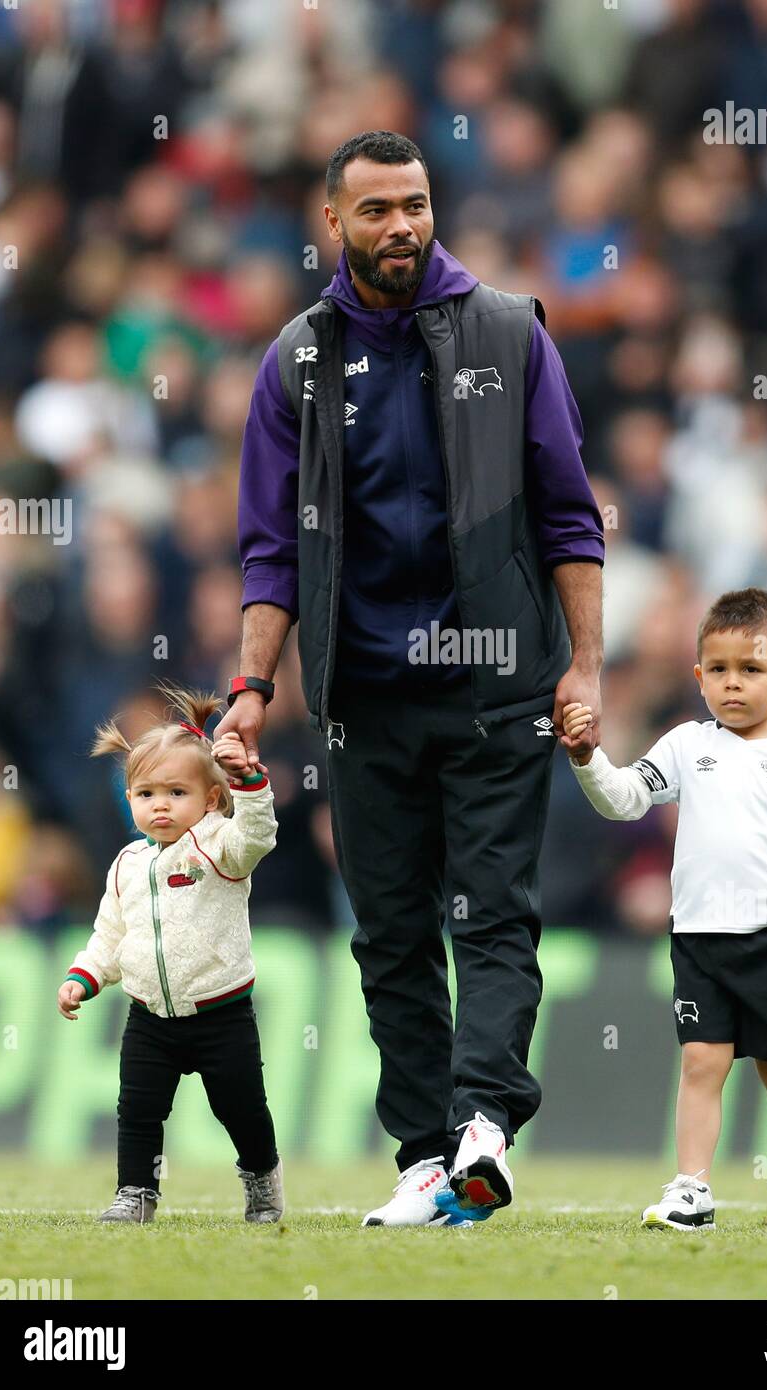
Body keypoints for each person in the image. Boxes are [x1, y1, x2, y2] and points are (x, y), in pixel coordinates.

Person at [217, 129, 605, 1226]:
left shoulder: (512, 333)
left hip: (495, 685)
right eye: (378, 208)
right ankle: (426, 1158)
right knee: (389, 930)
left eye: (418, 204)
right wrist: (253, 687)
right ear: (331, 222)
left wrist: (586, 666)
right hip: (362, 698)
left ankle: (485, 1123)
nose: (403, 226)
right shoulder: (294, 358)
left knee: (492, 915)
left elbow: (571, 518)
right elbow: (269, 548)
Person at [562, 588, 767, 1231]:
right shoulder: (683, 747)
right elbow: (624, 800)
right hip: (698, 938)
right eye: (719, 670)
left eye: (751, 670)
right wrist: (589, 759)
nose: (734, 685)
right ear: (699, 677)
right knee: (701, 1062)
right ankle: (692, 1190)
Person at [58, 680, 283, 1226]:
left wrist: (250, 784)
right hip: (149, 1016)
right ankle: (136, 1191)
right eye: (146, 794)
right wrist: (84, 977)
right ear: (129, 797)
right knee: (137, 1110)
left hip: (220, 1013)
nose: (161, 805)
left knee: (241, 1109)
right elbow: (110, 933)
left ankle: (262, 1177)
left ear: (209, 799)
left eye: (177, 793)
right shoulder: (128, 864)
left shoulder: (219, 846)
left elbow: (258, 836)